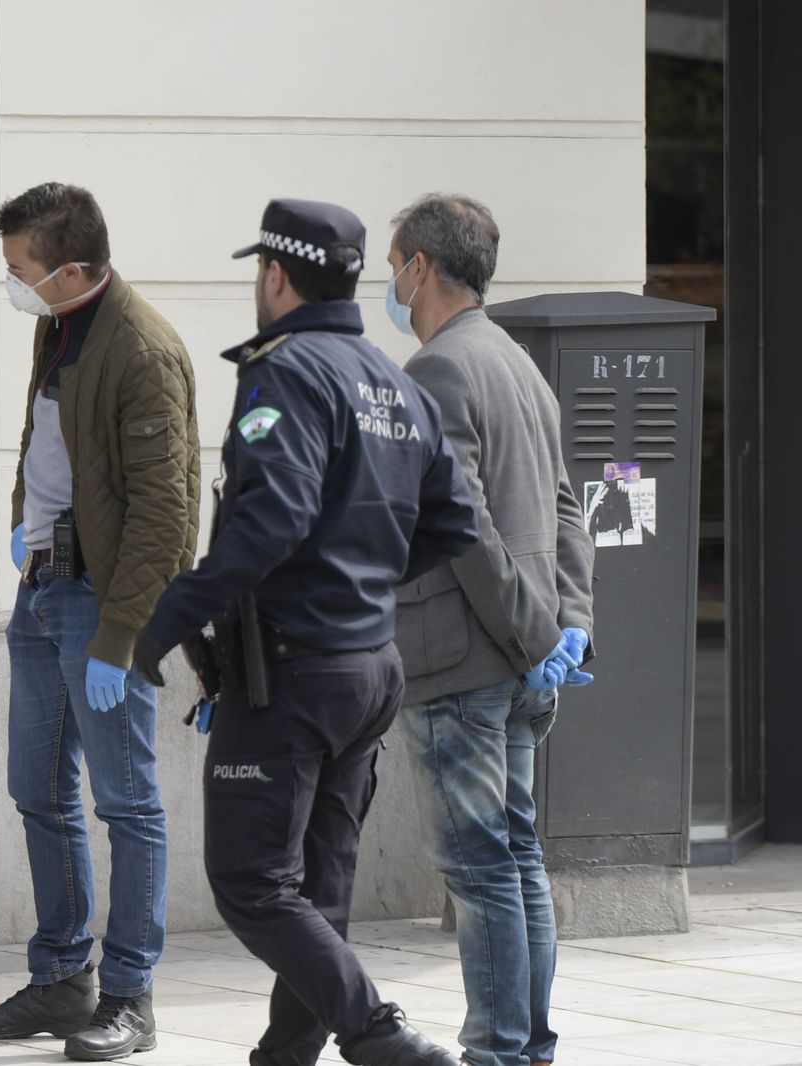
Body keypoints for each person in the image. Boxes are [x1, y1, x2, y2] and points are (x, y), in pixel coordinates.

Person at [132, 198, 479, 1066]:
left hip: (293, 675)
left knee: (252, 883)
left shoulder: (287, 372)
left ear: (277, 275)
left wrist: (161, 622)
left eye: (259, 272)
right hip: (369, 667)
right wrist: (361, 575)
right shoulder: (393, 379)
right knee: (316, 890)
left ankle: (377, 1032)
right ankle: (284, 1055)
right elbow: (456, 524)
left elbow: (268, 527)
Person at [0, 182, 201, 1062]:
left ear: (69, 267)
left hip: (104, 604)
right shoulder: (55, 323)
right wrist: (27, 519)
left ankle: (130, 995)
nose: (12, 283)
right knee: (36, 789)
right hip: (44, 589)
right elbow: (47, 442)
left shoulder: (141, 348)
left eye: (21, 270)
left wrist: (122, 636)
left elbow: (165, 514)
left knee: (126, 803)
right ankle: (63, 979)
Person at [385, 193, 596, 1066]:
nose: (390, 283)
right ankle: (527, 1045)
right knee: (516, 858)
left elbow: (461, 528)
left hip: (469, 660)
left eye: (394, 264)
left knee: (481, 870)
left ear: (422, 267)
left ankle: (499, 1050)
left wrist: (535, 636)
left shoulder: (439, 370)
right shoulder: (517, 364)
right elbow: (569, 511)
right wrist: (567, 623)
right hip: (519, 660)